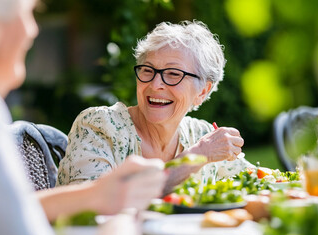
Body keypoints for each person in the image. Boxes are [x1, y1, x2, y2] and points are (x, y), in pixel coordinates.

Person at [0, 0, 165, 235]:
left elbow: (4, 213)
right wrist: (122, 222)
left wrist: (98, 195)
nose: (33, 30)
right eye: (28, 14)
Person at [57, 20, 254, 193]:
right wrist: (199, 155)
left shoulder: (201, 133)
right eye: (147, 70)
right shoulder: (99, 126)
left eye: (173, 74)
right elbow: (93, 203)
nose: (155, 84)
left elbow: (258, 181)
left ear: (202, 92)